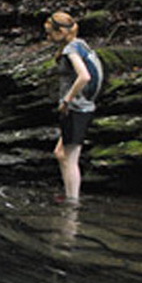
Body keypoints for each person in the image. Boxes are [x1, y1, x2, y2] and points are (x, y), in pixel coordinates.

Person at [44, 11, 97, 204]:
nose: (48, 38)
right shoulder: (81, 44)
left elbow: (84, 76)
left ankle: (72, 203)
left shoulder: (71, 50)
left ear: (61, 32)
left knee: (71, 158)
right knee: (60, 154)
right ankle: (69, 196)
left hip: (76, 109)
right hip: (81, 107)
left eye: (50, 33)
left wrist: (67, 99)